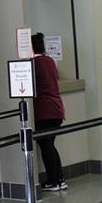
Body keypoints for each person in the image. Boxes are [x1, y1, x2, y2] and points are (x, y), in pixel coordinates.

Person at [31, 32, 66, 191]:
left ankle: (53, 180)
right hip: (56, 108)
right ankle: (59, 179)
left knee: (46, 145)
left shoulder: (33, 63)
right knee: (50, 144)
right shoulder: (50, 61)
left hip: (44, 110)